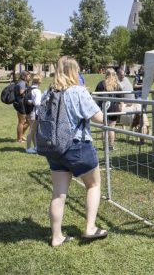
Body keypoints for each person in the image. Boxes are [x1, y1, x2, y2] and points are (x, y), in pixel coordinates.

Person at [44, 56, 107, 247]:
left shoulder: (48, 93)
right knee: (93, 185)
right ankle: (89, 228)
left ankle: (56, 237)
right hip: (77, 146)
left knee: (58, 193)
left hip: (54, 148)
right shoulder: (78, 92)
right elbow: (99, 118)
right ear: (75, 71)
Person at [95, 68, 123, 150]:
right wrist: (120, 110)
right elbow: (120, 100)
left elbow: (96, 97)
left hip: (104, 107)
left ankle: (105, 146)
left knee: (104, 127)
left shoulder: (101, 84)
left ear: (106, 74)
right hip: (114, 108)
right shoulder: (117, 85)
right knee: (111, 127)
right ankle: (111, 146)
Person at [25, 75, 42, 154]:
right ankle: (28, 148)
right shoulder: (37, 91)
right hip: (34, 113)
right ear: (39, 82)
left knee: (33, 131)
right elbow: (37, 103)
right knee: (31, 131)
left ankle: (35, 147)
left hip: (28, 112)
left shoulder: (29, 88)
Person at [14, 70, 31, 143]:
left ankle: (21, 136)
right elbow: (21, 93)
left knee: (28, 121)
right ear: (25, 76)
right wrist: (29, 88)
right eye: (29, 76)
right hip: (20, 104)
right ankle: (19, 139)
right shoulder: (22, 83)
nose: (30, 77)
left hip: (24, 104)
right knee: (21, 121)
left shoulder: (22, 82)